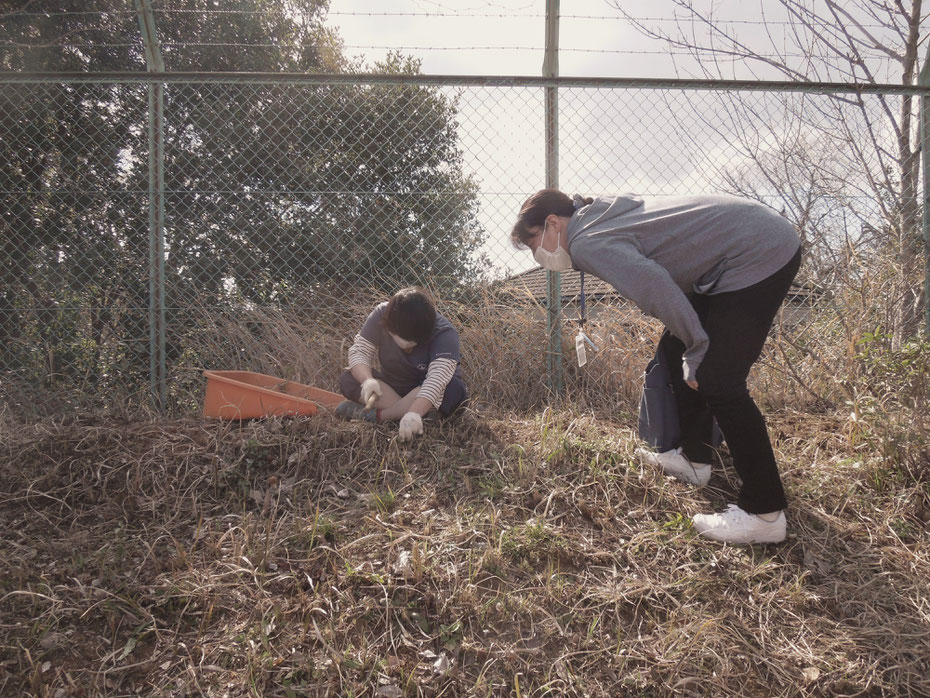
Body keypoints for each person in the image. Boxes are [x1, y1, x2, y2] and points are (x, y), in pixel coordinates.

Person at [511, 190, 802, 544]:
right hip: (744, 242)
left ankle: (765, 512)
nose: (538, 255)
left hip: (758, 250)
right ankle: (695, 461)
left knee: (717, 378)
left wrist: (699, 344)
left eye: (533, 243)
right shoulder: (598, 218)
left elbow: (654, 285)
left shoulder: (587, 241)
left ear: (553, 224)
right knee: (673, 349)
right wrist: (689, 341)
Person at [335, 287, 468, 441]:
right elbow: (360, 351)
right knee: (348, 378)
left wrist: (414, 413)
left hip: (426, 391)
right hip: (392, 387)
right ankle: (423, 417)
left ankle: (379, 416)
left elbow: (437, 379)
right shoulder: (381, 314)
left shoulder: (445, 333)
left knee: (453, 388)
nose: (407, 347)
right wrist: (367, 380)